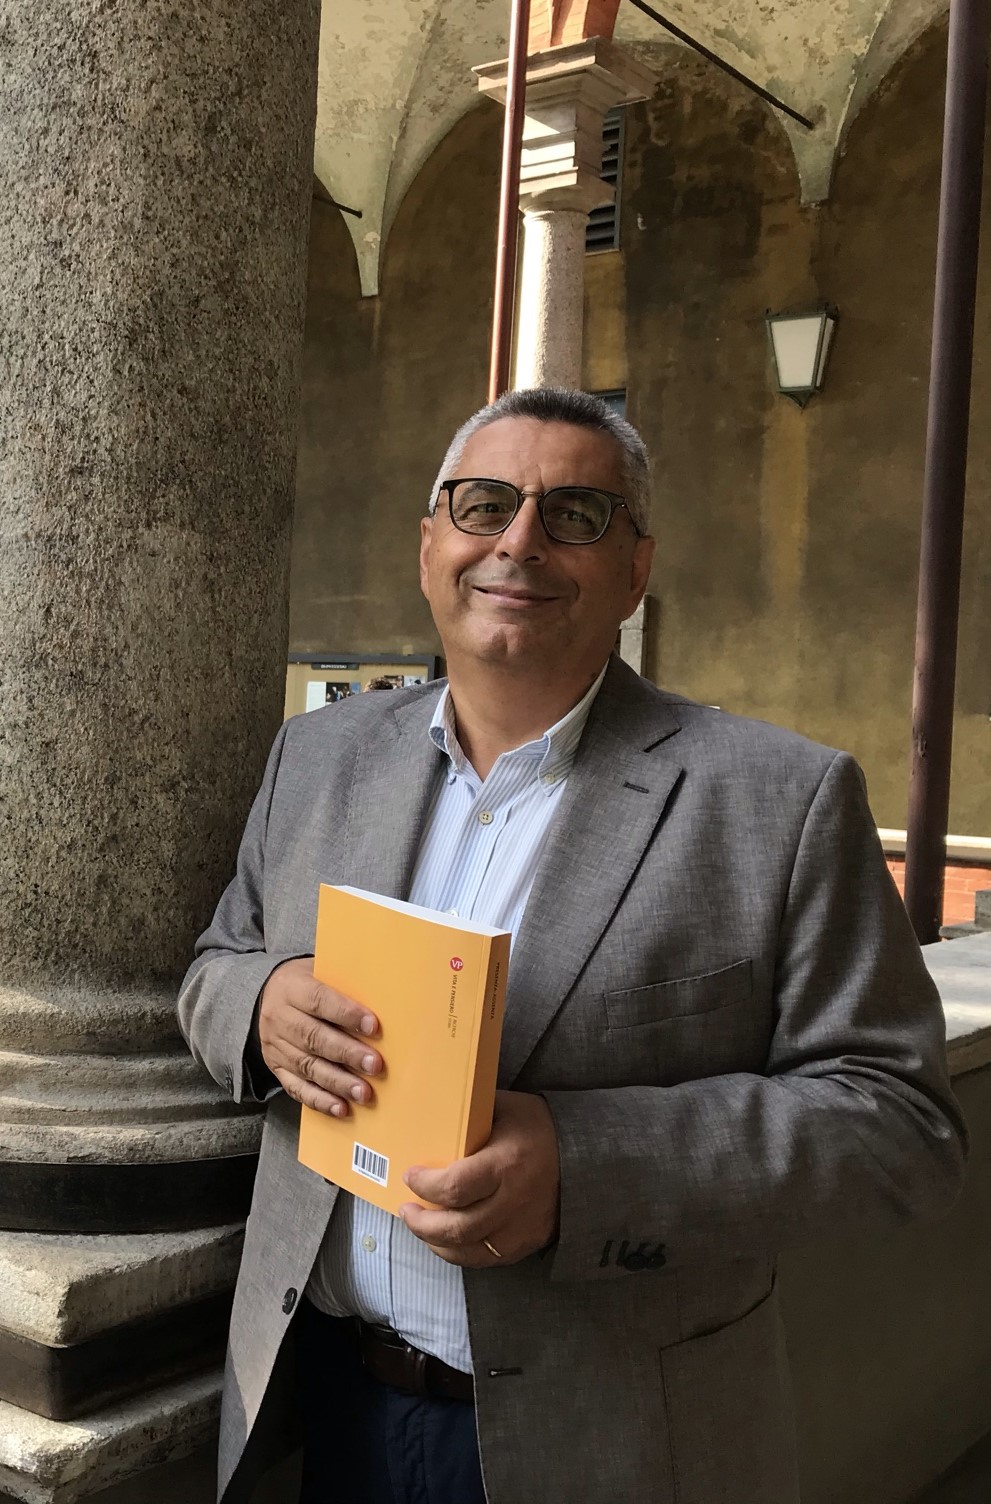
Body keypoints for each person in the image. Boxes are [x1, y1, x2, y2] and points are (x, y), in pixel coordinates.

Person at [178, 387, 967, 1504]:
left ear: (635, 569)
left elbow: (899, 1126)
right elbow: (215, 962)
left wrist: (585, 1167)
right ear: (429, 545)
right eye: (482, 505)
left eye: (575, 515)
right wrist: (263, 1004)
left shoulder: (778, 800)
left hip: (609, 1442)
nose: (518, 542)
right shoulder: (316, 756)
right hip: (323, 1406)